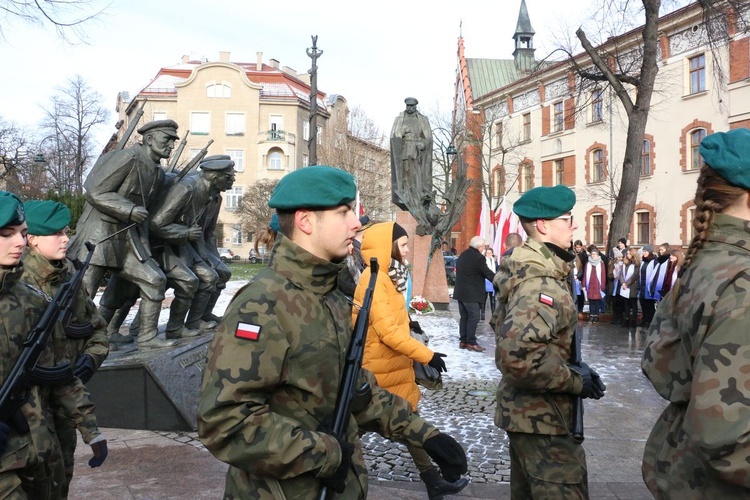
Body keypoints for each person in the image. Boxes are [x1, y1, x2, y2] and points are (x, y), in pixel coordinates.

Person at [197, 166, 468, 499]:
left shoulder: (330, 298)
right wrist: (326, 453)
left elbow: (354, 389)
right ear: (306, 221)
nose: (356, 223)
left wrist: (423, 434)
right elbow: (225, 422)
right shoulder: (262, 305)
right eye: (344, 212)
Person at [641, 129, 750, 497]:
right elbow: (724, 432)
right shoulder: (742, 278)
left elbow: (661, 367)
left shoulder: (706, 261)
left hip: (683, 468)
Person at [493, 185, 605, 499]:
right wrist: (574, 381)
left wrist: (577, 366)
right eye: (567, 219)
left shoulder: (536, 270)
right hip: (545, 421)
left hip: (535, 418)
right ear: (543, 226)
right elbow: (518, 357)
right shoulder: (539, 282)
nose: (575, 226)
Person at [0, 192, 105, 498]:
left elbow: (57, 372)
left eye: (20, 233)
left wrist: (90, 428)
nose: (19, 242)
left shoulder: (30, 299)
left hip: (42, 453)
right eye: (6, 235)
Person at [355, 221, 467, 499]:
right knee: (361, 425)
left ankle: (433, 481)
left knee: (406, 422)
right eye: (403, 245)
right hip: (377, 369)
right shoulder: (374, 278)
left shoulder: (390, 275)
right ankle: (326, 472)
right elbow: (387, 332)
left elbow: (396, 321)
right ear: (387, 246)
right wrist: (426, 354)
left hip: (393, 365)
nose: (406, 250)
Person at [69, 119, 180, 350]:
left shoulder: (158, 173)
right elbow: (96, 191)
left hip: (129, 238)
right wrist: (128, 210)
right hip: (101, 234)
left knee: (155, 280)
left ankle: (147, 337)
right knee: (84, 292)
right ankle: (77, 343)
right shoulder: (128, 157)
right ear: (149, 139)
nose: (171, 145)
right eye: (166, 139)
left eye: (173, 140)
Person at [452, 236, 497, 351]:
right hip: (471, 294)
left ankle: (463, 341)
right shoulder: (478, 258)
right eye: (482, 247)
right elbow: (487, 273)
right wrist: (499, 280)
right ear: (479, 246)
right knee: (474, 317)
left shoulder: (463, 255)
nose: (483, 249)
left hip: (460, 292)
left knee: (464, 317)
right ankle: (471, 342)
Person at [390, 97, 434, 210]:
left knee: (417, 176)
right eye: (408, 106)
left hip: (418, 153)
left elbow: (428, 139)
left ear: (415, 106)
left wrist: (423, 145)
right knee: (406, 174)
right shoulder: (400, 119)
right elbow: (394, 135)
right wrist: (401, 132)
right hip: (405, 152)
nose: (409, 108)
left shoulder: (423, 119)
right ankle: (407, 195)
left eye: (412, 106)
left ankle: (418, 195)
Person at [582, 247, 607, 324]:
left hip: (597, 284)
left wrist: (602, 285)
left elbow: (603, 275)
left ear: (598, 254)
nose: (593, 255)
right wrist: (583, 285)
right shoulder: (588, 263)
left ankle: (596, 316)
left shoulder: (601, 263)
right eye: (592, 254)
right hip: (590, 284)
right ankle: (591, 316)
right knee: (591, 302)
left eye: (595, 254)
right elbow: (585, 274)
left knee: (597, 302)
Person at [618, 250, 640, 328]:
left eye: (630, 254)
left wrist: (626, 284)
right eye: (627, 254)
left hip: (632, 287)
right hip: (625, 287)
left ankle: (633, 321)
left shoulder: (636, 264)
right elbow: (621, 274)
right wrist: (623, 283)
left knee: (633, 305)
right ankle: (626, 320)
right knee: (626, 304)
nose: (628, 255)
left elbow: (635, 276)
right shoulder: (625, 264)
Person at [637, 244, 656, 327]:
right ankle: (645, 320)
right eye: (643, 251)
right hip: (642, 287)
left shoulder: (654, 262)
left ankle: (650, 321)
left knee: (650, 306)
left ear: (650, 252)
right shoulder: (643, 262)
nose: (644, 253)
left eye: (645, 251)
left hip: (649, 287)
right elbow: (640, 274)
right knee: (643, 304)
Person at [482, 247, 499, 321]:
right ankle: (482, 314)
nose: (489, 254)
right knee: (484, 298)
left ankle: (493, 314)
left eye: (490, 253)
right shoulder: (483, 260)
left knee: (493, 299)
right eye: (487, 253)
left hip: (492, 281)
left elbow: (497, 269)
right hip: (485, 281)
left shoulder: (494, 261)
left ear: (492, 253)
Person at [609, 248, 625, 324]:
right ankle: (615, 318)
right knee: (614, 304)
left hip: (620, 285)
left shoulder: (623, 264)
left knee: (620, 303)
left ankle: (620, 318)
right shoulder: (612, 264)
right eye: (619, 257)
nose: (620, 259)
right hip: (614, 285)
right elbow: (609, 274)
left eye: (621, 257)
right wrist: (613, 276)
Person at [573, 240, 588, 313]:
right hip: (575, 276)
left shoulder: (583, 255)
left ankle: (580, 308)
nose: (577, 249)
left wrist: (580, 276)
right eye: (576, 247)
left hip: (580, 277)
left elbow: (583, 267)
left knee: (580, 293)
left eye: (579, 247)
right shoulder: (574, 254)